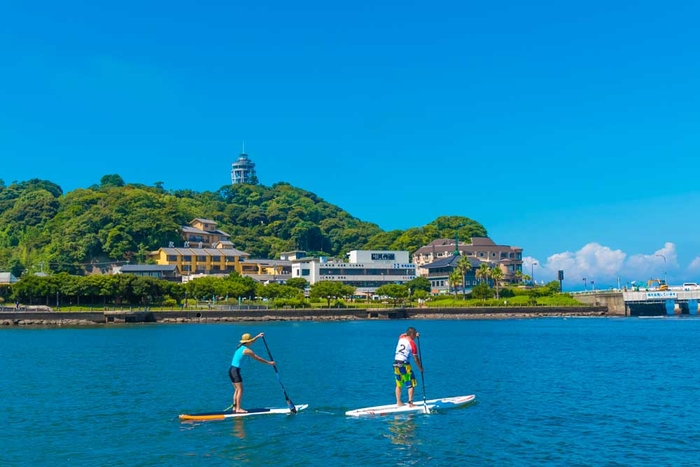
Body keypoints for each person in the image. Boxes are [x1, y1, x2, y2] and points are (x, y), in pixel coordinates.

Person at [229, 332, 274, 413]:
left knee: (237, 390)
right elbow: (258, 358)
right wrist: (269, 363)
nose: (252, 342)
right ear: (248, 342)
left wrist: (258, 336)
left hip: (231, 370)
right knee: (240, 390)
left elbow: (252, 341)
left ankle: (235, 407)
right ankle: (238, 409)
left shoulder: (240, 346)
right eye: (251, 341)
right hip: (235, 371)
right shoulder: (247, 350)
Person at [393, 327, 423, 406]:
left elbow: (404, 334)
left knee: (399, 384)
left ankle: (398, 402)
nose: (415, 337)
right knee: (411, 383)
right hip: (404, 364)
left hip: (396, 363)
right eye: (415, 335)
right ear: (412, 334)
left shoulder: (401, 337)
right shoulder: (412, 344)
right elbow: (416, 359)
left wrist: (415, 334)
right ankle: (410, 403)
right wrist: (420, 368)